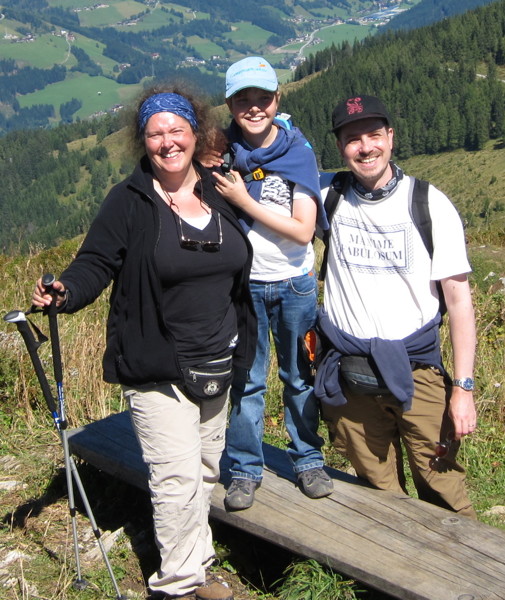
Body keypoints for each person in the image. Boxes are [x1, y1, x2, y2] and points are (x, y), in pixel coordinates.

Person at [32, 84, 258, 600]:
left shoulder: (222, 190)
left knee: (203, 472)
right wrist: (65, 291)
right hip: (156, 363)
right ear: (143, 142)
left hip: (218, 358)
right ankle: (176, 586)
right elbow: (95, 263)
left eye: (177, 130)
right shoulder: (129, 201)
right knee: (176, 481)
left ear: (194, 133)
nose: (167, 142)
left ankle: (197, 565)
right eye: (155, 134)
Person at [316, 94, 477, 517]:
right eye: (353, 139)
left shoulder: (429, 204)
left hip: (418, 372)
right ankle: (392, 580)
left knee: (443, 488)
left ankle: (472, 576)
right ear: (339, 147)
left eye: (374, 135)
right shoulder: (326, 197)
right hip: (350, 376)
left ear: (391, 137)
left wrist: (463, 390)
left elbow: (459, 301)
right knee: (378, 492)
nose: (365, 147)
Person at [212, 56, 333, 511]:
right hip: (245, 286)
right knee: (246, 380)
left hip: (294, 283)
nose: (254, 107)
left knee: (299, 376)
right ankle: (244, 468)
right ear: (230, 103)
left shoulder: (297, 152)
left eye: (263, 98)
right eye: (244, 99)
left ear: (277, 99)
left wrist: (243, 198)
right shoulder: (223, 151)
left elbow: (303, 230)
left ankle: (307, 460)